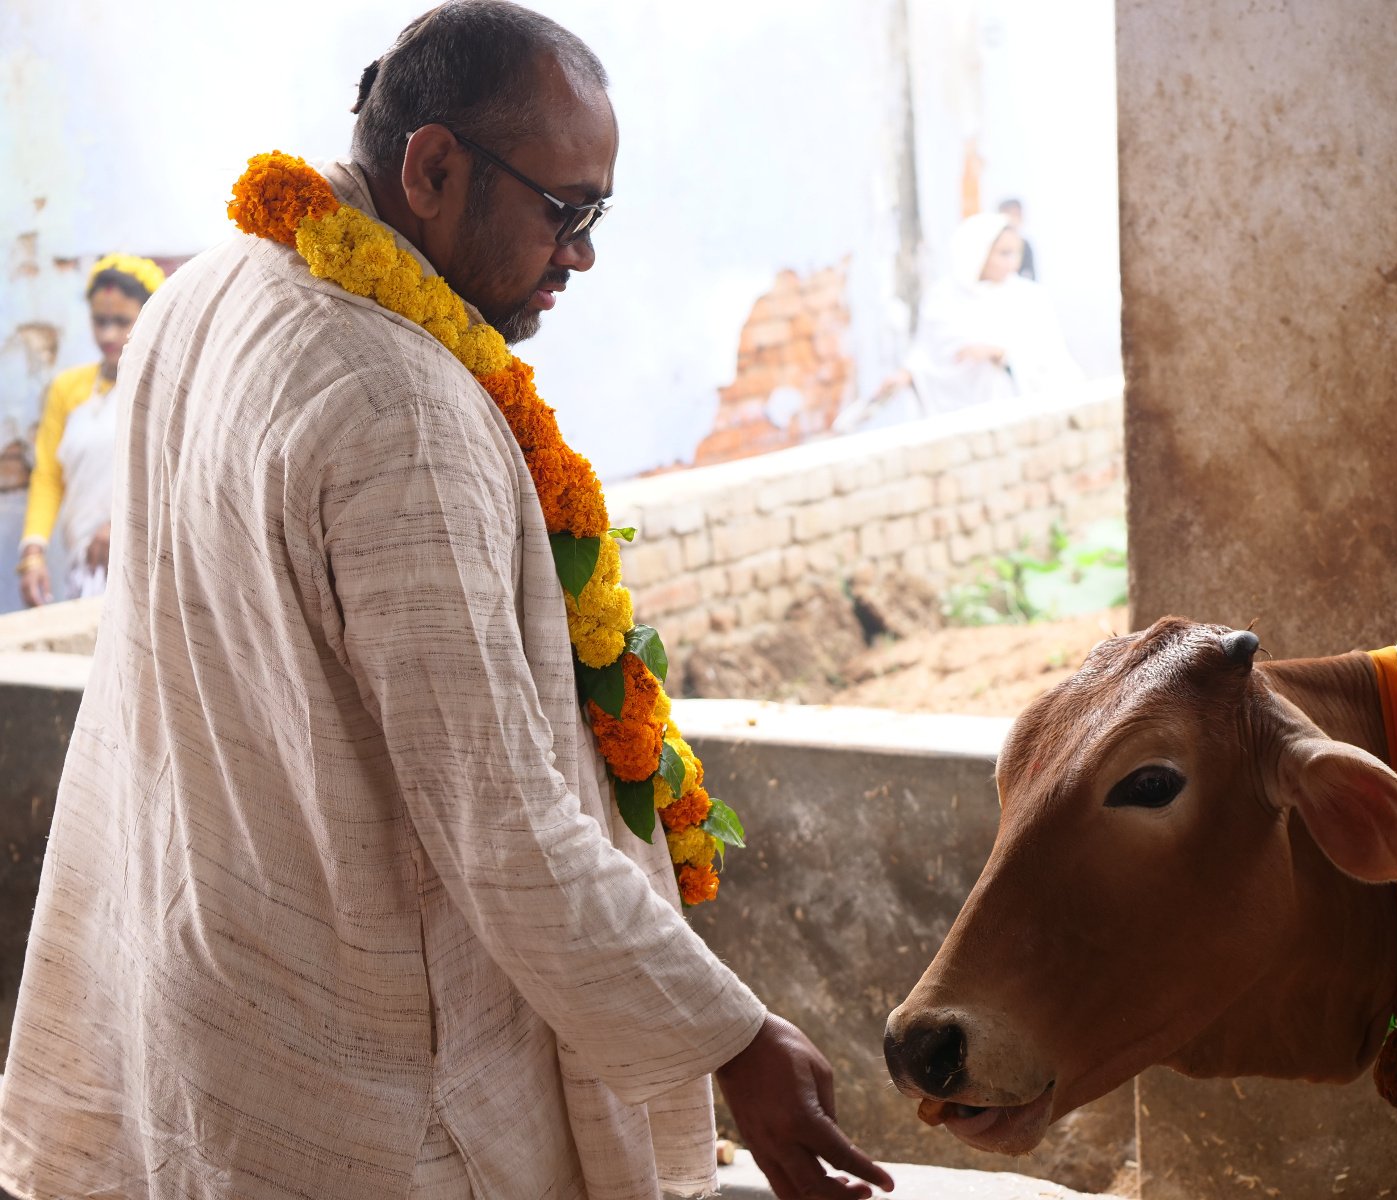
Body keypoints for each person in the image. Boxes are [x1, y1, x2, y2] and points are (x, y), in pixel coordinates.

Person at [0, 6, 893, 1200]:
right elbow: (502, 820)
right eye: (564, 211)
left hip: (208, 1003)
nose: (581, 255)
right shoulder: (399, 410)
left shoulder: (205, 291)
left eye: (597, 217)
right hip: (367, 1093)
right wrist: (731, 1041)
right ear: (430, 168)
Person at [15, 253, 163, 606]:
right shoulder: (68, 389)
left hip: (149, 561)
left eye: (122, 320)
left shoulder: (162, 386)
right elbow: (49, 476)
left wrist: (121, 525)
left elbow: (172, 474)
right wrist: (33, 550)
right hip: (88, 568)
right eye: (100, 321)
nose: (108, 333)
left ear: (150, 318)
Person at [840, 213, 1081, 429]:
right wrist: (906, 375)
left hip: (1020, 420)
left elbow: (1051, 360)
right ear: (977, 252)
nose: (1012, 263)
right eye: (1003, 253)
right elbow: (929, 355)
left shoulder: (1029, 298)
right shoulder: (943, 298)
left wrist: (1000, 354)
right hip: (964, 423)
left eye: (1016, 253)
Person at [997, 198, 1036, 280]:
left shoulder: (1025, 245)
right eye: (1010, 214)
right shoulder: (992, 243)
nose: (1014, 219)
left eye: (1017, 214)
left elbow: (1030, 276)